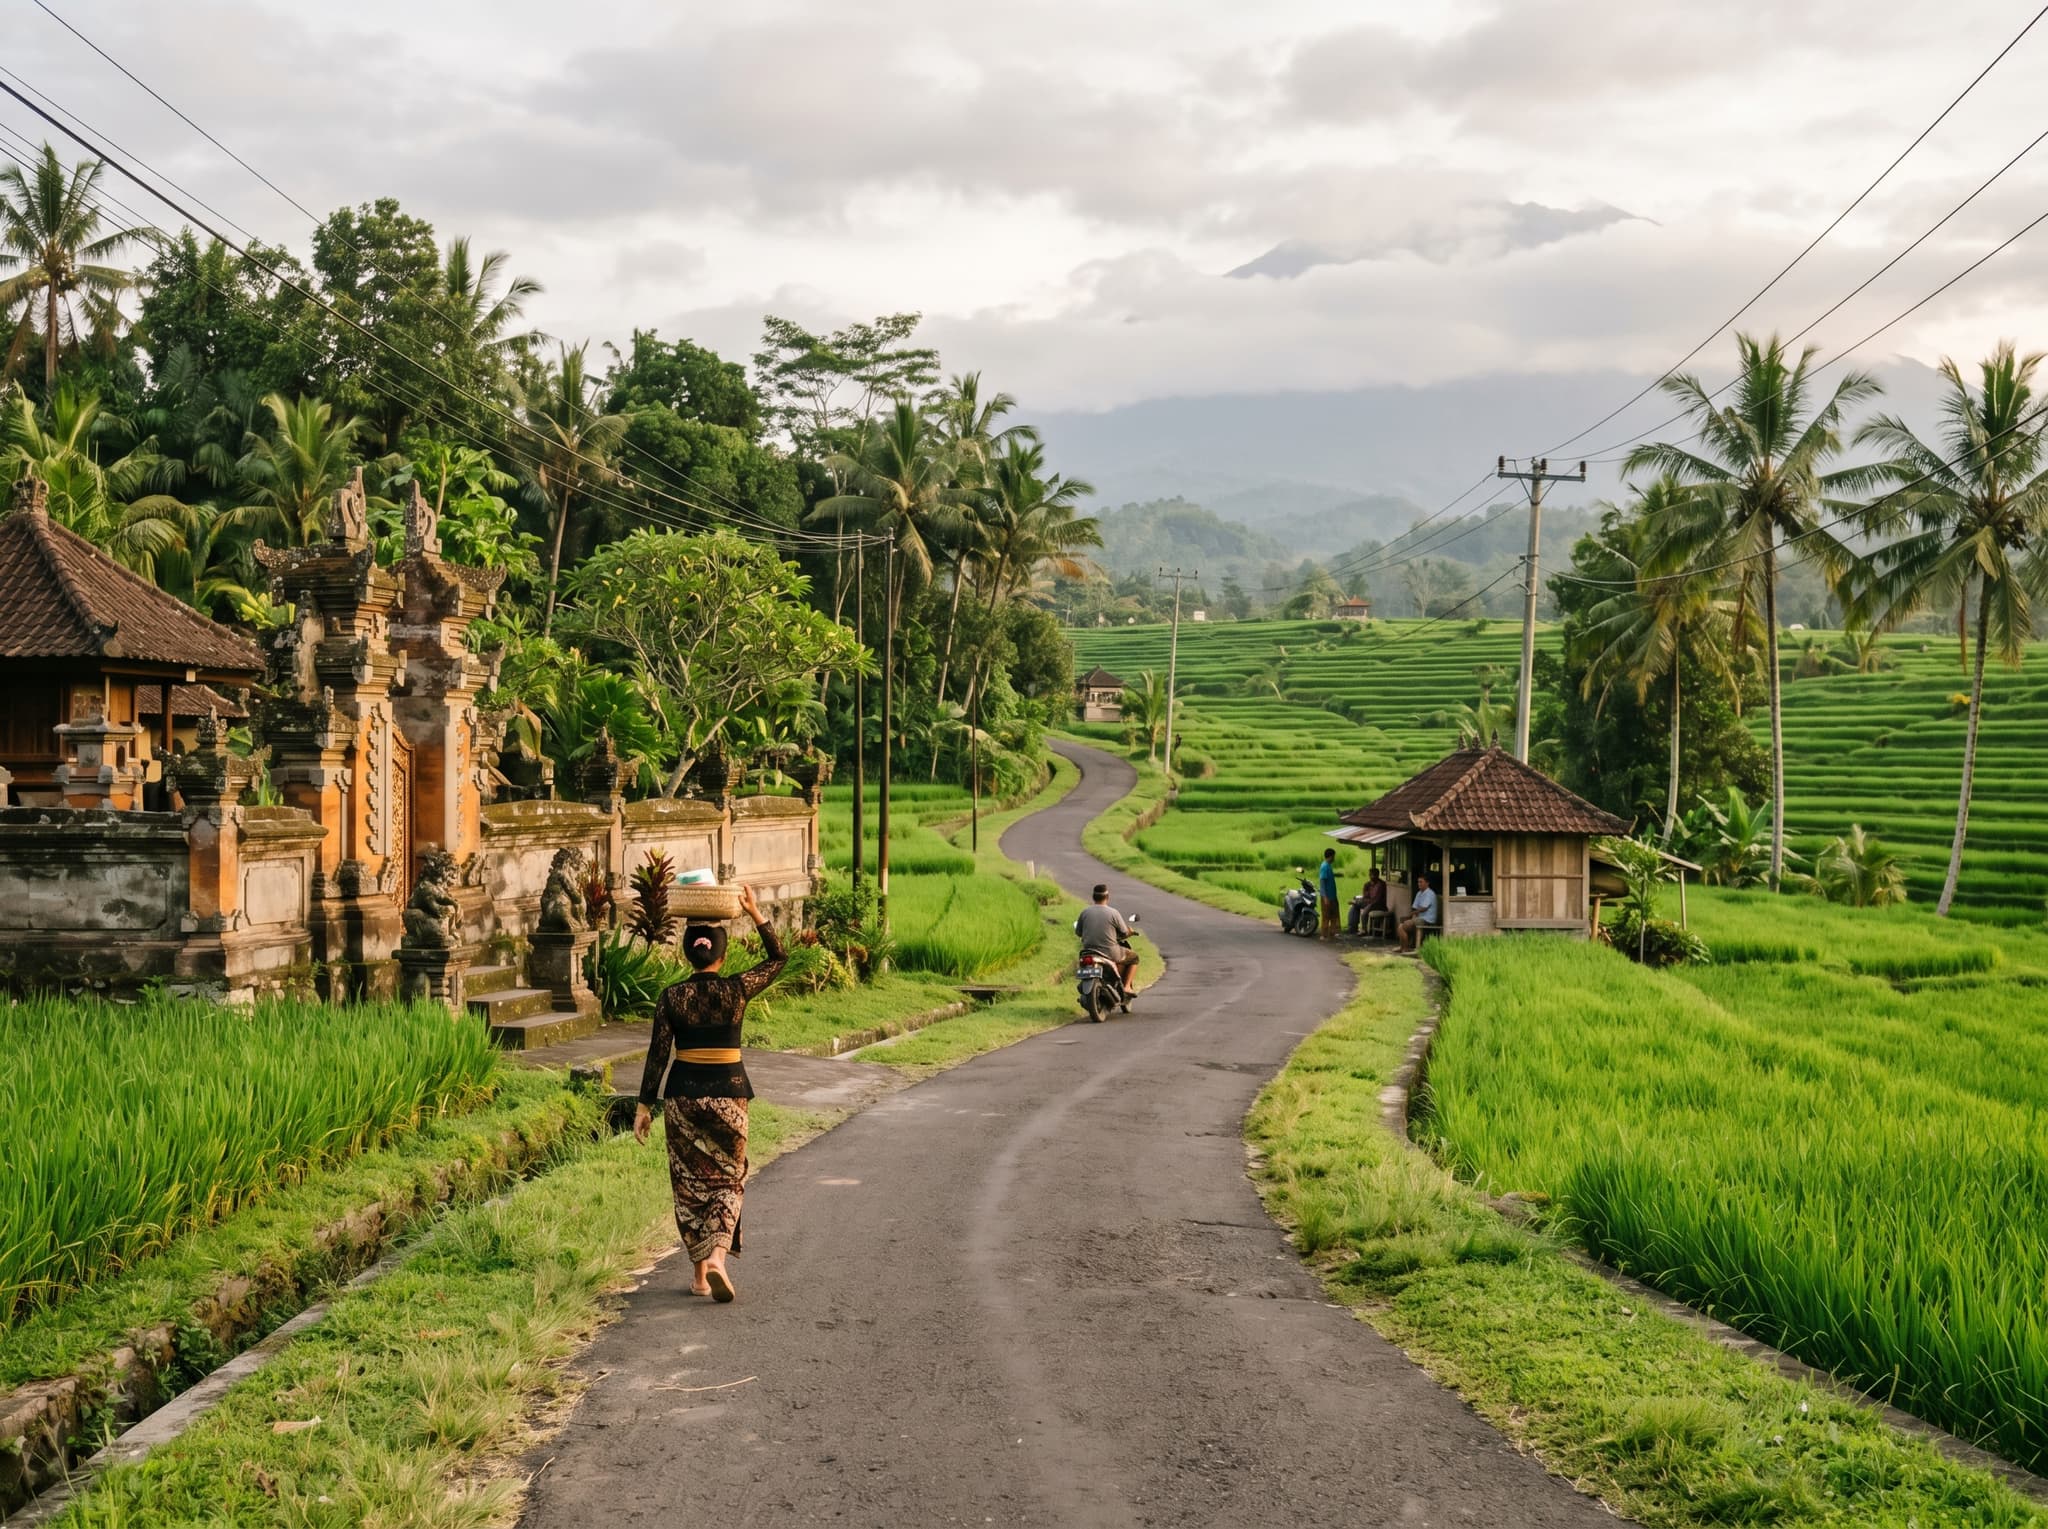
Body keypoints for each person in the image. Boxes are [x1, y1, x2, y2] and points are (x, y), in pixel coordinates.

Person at [633, 885, 786, 1303]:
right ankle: (719, 1256)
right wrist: (756, 913)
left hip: (682, 1097)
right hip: (729, 1096)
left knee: (689, 1183)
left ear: (689, 955)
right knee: (727, 1180)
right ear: (721, 956)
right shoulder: (736, 990)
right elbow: (778, 959)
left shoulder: (672, 997)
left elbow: (658, 1054)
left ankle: (700, 1277)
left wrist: (644, 1105)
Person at [1074, 883, 1138, 1009]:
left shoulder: (1085, 912)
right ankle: (1126, 987)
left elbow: (1078, 932)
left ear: (1093, 897)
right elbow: (1124, 932)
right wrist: (1130, 932)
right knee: (1134, 958)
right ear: (1107, 897)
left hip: (1088, 952)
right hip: (1110, 952)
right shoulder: (1113, 913)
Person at [1398, 872, 1439, 953]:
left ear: (1427, 883)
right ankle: (1404, 947)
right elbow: (1415, 908)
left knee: (1404, 925)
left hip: (1428, 920)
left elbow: (1423, 908)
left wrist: (1412, 915)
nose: (1419, 884)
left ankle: (1405, 948)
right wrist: (1413, 916)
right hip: (1420, 918)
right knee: (1400, 925)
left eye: (1421, 882)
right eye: (1418, 882)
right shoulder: (1419, 893)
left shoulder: (1430, 893)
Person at [1347, 869, 1388, 936]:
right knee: (1354, 907)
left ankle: (1364, 930)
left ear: (1377, 875)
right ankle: (1352, 928)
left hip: (1379, 905)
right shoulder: (1368, 884)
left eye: (1374, 875)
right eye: (1370, 875)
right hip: (1370, 903)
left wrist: (1363, 900)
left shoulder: (1381, 884)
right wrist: (1366, 889)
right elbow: (1365, 896)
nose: (1372, 877)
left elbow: (1376, 899)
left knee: (1364, 912)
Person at [1318, 847, 1341, 940]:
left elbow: (1328, 876)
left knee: (1334, 914)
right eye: (1333, 856)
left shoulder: (1328, 865)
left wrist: (1337, 874)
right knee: (1326, 915)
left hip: (1332, 896)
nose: (1334, 858)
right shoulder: (1324, 866)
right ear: (1330, 856)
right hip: (1327, 896)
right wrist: (1325, 897)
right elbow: (1322, 882)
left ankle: (1333, 932)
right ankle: (1323, 934)